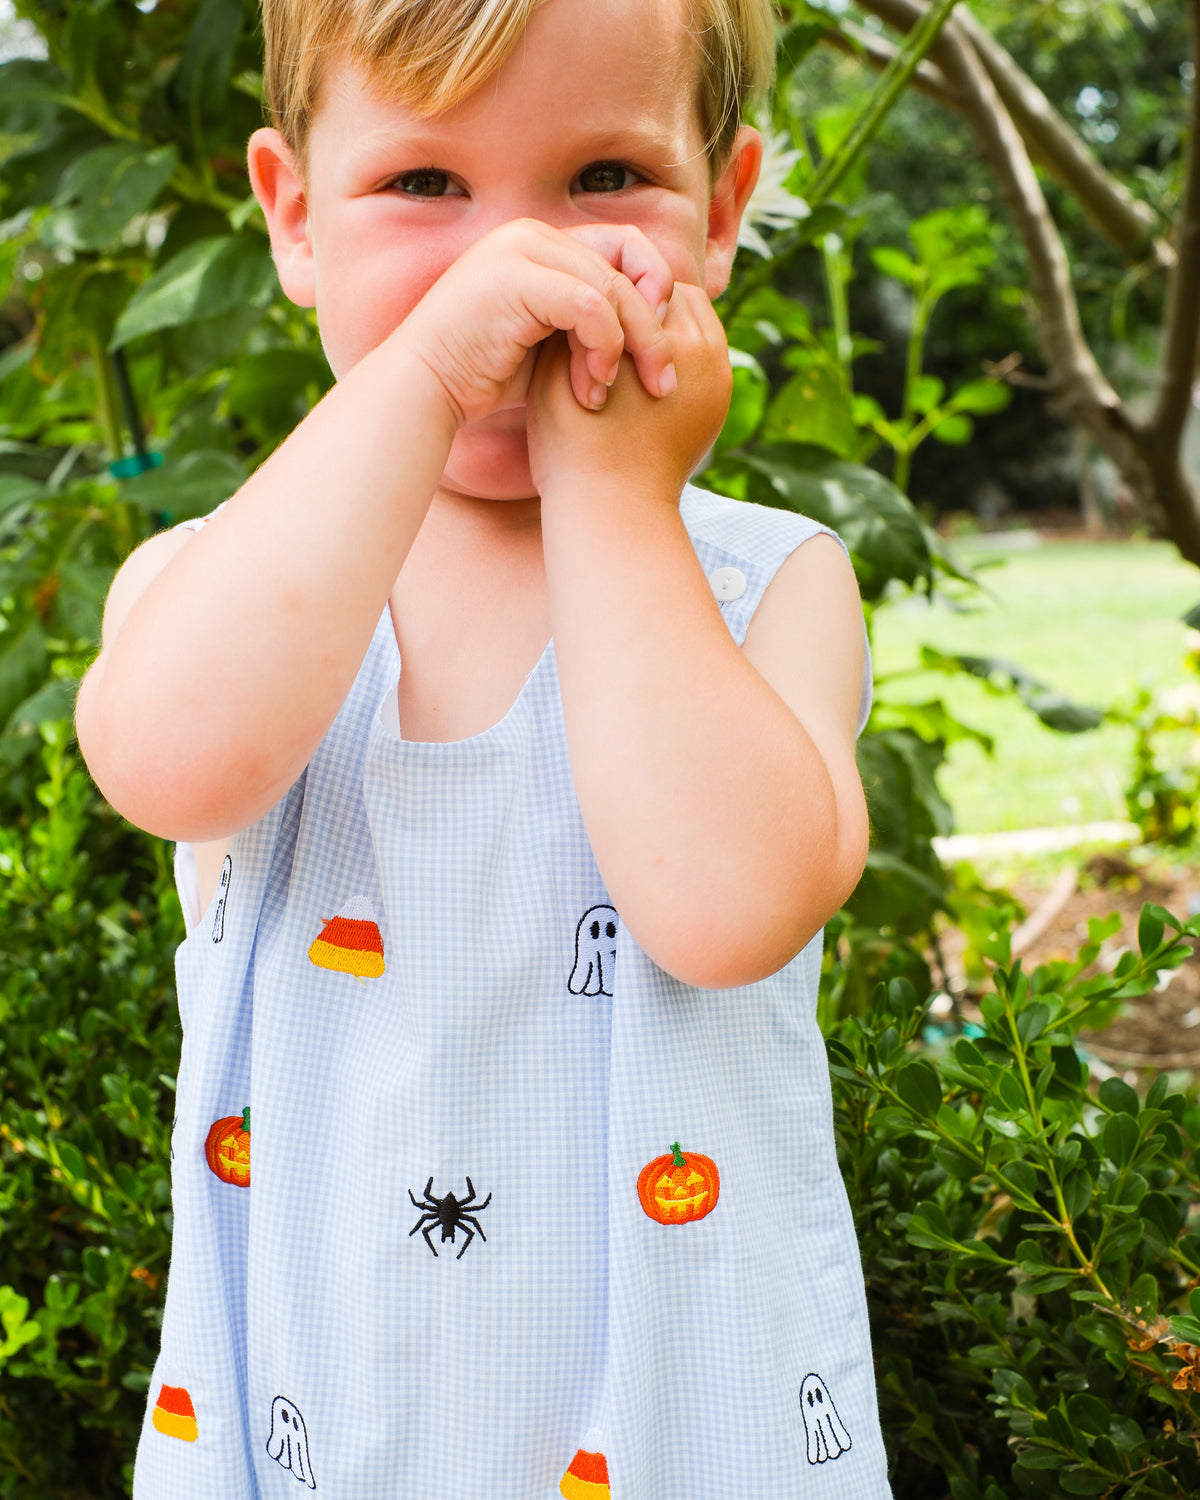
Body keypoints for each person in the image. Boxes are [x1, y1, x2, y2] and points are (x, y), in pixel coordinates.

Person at [75, 0, 890, 1493]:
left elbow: (724, 914)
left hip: (677, 1438)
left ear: (720, 210)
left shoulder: (764, 584)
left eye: (602, 180)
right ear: (295, 216)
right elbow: (165, 764)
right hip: (311, 1427)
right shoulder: (220, 578)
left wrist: (620, 502)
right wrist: (420, 380)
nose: (517, 265)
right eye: (426, 186)